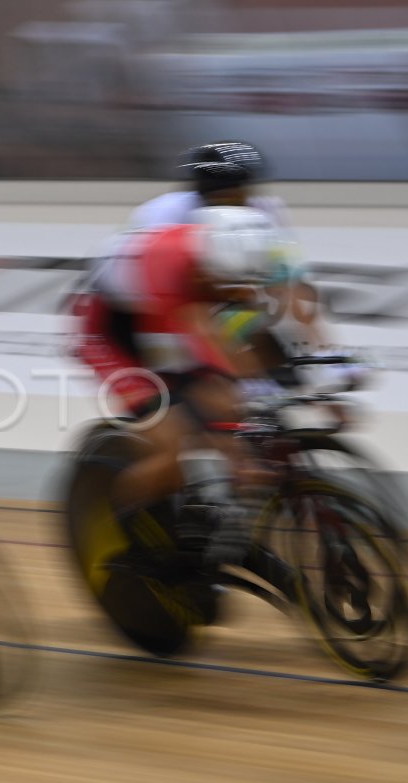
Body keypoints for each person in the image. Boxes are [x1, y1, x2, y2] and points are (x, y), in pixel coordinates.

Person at [73, 205, 286, 568]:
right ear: (207, 264)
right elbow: (204, 344)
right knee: (174, 442)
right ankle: (124, 535)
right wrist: (240, 419)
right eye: (228, 283)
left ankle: (203, 513)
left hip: (158, 320)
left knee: (226, 406)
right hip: (110, 335)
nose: (237, 291)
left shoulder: (229, 258)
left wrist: (283, 377)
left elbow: (249, 329)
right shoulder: (167, 264)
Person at [129, 141, 360, 389]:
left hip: (221, 297)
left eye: (241, 193)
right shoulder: (166, 215)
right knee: (219, 346)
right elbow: (167, 293)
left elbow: (289, 281)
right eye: (226, 195)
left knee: (272, 344)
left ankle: (298, 374)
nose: (238, 201)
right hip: (153, 301)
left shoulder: (264, 210)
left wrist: (322, 351)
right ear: (203, 193)